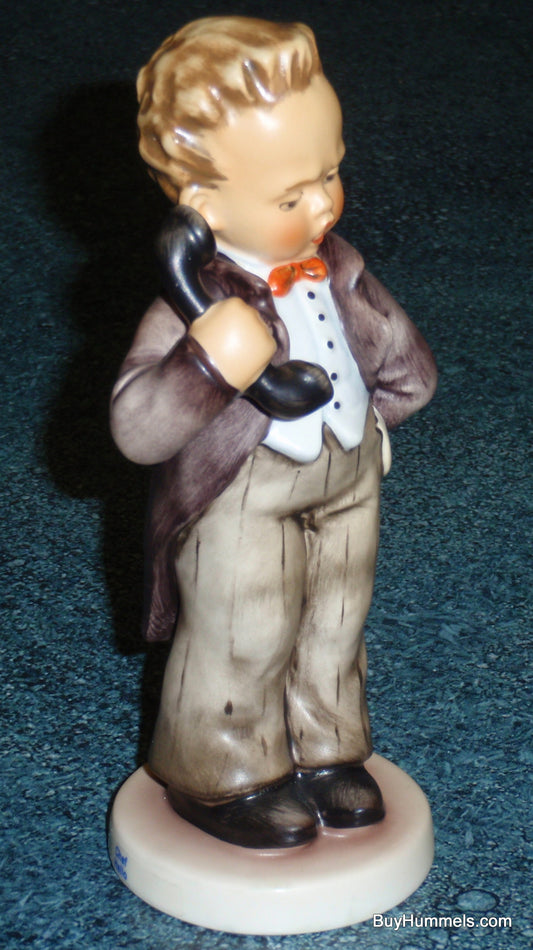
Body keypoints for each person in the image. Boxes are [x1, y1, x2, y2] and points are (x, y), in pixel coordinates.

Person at [110, 16, 438, 849]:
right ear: (202, 209)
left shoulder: (340, 266)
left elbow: (394, 353)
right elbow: (136, 431)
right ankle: (223, 772)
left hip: (347, 470)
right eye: (291, 197)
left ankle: (327, 750)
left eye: (329, 172)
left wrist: (381, 416)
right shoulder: (190, 309)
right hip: (243, 494)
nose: (322, 203)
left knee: (336, 620)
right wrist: (204, 364)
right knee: (245, 631)